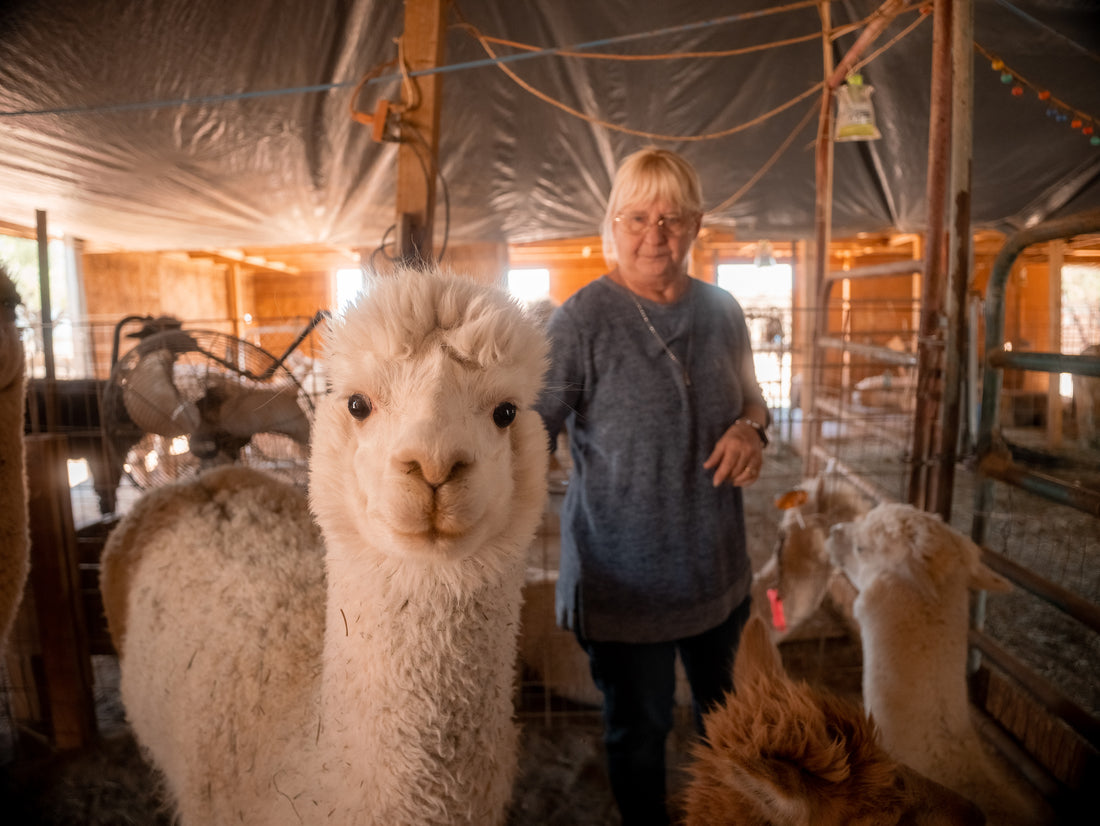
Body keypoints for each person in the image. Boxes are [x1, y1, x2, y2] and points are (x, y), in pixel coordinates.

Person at [534, 147, 769, 826]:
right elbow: (532, 433)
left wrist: (752, 431)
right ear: (613, 222)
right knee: (639, 732)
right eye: (637, 216)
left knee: (725, 725)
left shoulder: (723, 311)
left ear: (697, 225)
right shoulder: (581, 322)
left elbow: (755, 400)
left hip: (716, 573)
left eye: (671, 218)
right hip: (624, 580)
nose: (654, 234)